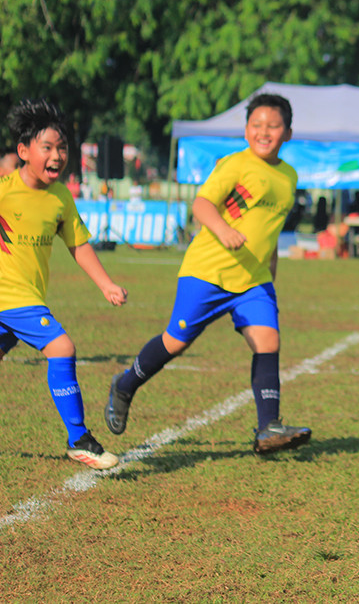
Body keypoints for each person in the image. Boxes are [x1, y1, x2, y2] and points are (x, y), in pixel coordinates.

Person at [105, 93, 311, 455]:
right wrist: (224, 230)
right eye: (256, 125)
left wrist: (272, 265)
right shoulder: (235, 164)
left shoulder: (289, 176)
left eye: (273, 126)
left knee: (268, 342)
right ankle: (124, 385)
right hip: (208, 271)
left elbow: (271, 227)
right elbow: (201, 204)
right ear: (246, 130)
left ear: (288, 133)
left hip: (254, 279)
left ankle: (269, 428)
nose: (264, 132)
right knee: (176, 342)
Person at [0, 99, 128, 468]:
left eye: (62, 148)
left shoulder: (60, 198)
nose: (57, 156)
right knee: (62, 347)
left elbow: (78, 245)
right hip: (11, 297)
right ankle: (79, 439)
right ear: (24, 151)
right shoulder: (4, 191)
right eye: (48, 147)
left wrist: (106, 284)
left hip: (25, 295)